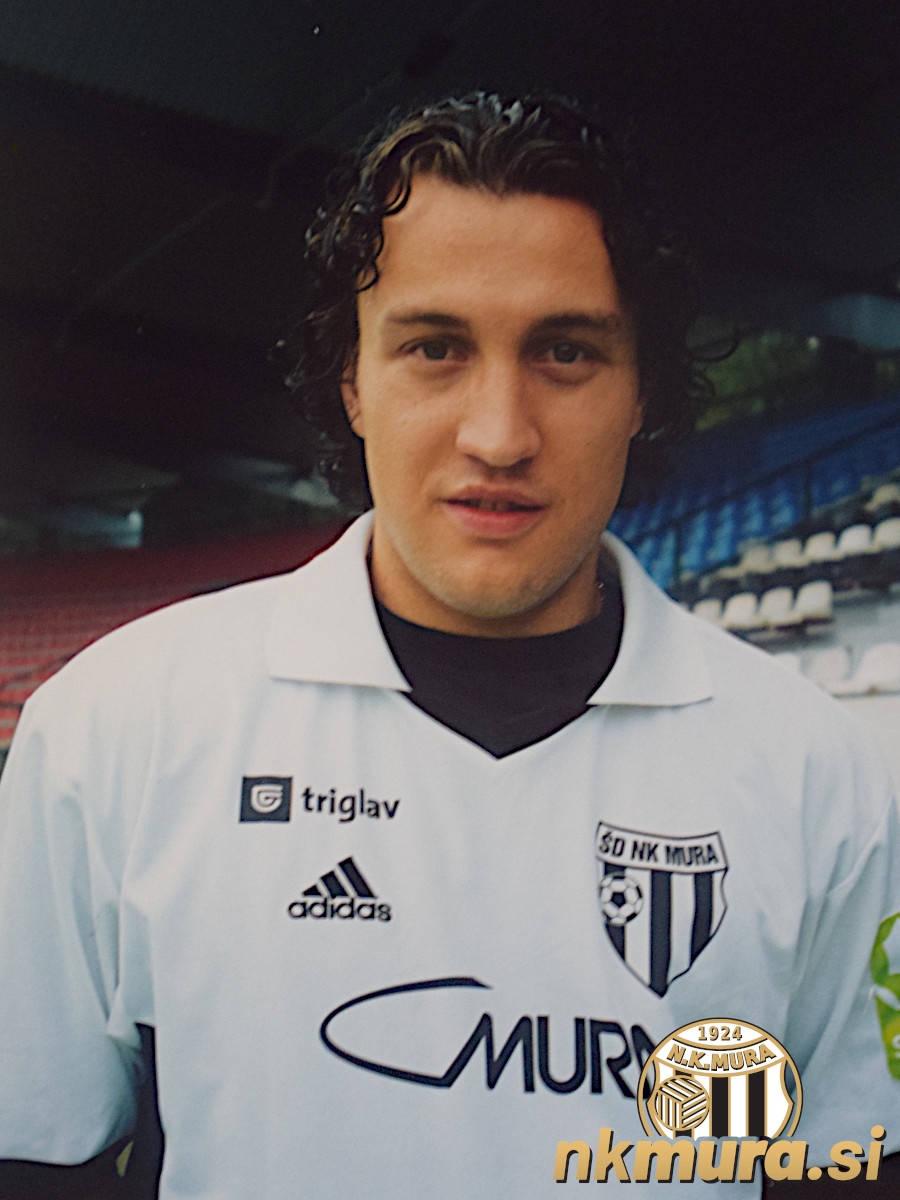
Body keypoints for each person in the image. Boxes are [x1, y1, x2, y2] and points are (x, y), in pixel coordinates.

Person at [0, 93, 897, 1199]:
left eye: (565, 351)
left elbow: (842, 1167)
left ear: (642, 392)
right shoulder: (115, 732)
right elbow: (39, 1158)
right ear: (352, 381)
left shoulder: (820, 777)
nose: (499, 434)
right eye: (434, 347)